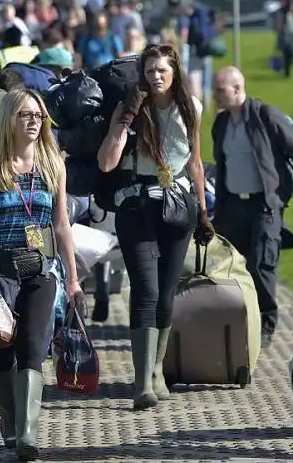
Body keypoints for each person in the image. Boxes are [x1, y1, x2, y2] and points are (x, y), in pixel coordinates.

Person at [0, 89, 83, 461]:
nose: (34, 121)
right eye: (26, 115)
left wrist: (74, 280)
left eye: (39, 116)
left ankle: (28, 433)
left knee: (32, 347)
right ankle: (9, 426)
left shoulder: (52, 164)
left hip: (40, 271)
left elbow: (61, 225)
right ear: (9, 119)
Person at [96, 44, 212, 410]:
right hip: (137, 207)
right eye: (149, 71)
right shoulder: (131, 106)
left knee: (165, 293)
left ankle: (157, 370)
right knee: (144, 290)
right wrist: (124, 119)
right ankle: (141, 382)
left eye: (162, 70)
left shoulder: (191, 108)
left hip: (178, 206)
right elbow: (105, 163)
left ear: (175, 72)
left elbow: (195, 161)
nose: (156, 77)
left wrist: (204, 212)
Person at [212, 66, 293, 347]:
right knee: (236, 266)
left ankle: (266, 324)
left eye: (220, 90)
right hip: (233, 206)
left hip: (265, 204)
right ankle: (242, 319)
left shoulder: (266, 116)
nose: (215, 95)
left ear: (238, 89)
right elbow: (223, 164)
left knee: (262, 264)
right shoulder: (221, 124)